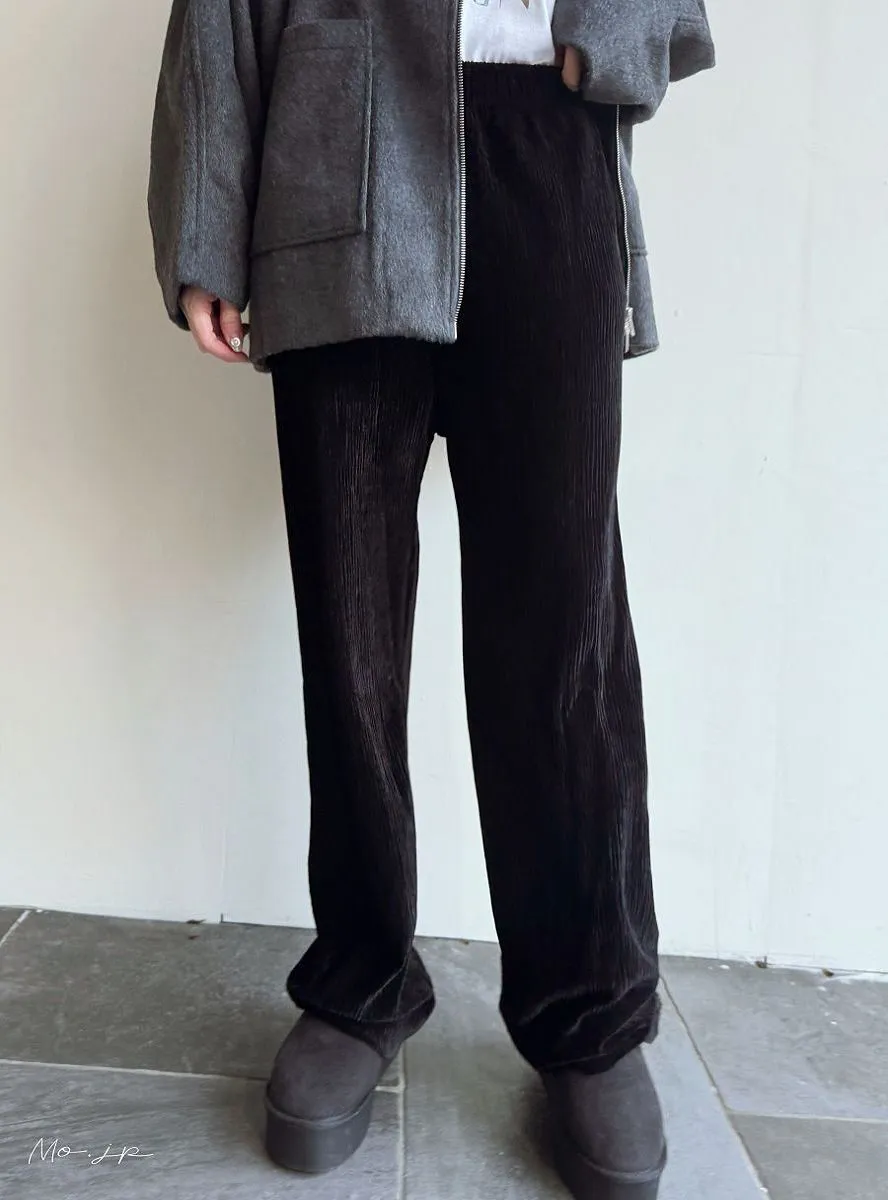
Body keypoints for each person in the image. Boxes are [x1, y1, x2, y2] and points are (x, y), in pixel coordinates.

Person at [148, 2, 715, 1196]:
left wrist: (611, 30)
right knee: (348, 624)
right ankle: (359, 980)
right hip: (333, 155)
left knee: (562, 628)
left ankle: (588, 1009)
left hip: (547, 147)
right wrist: (205, 222)